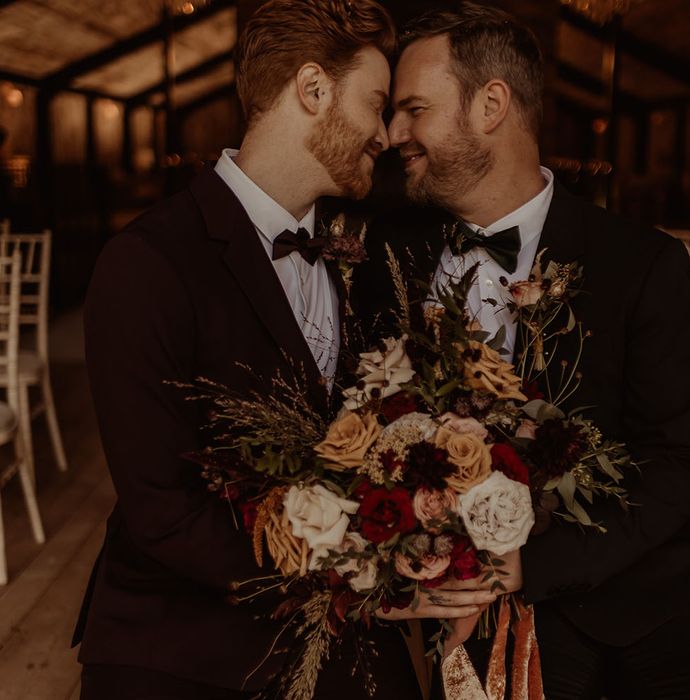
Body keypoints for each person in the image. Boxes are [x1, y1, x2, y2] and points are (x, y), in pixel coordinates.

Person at [356, 3, 690, 698]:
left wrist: (535, 563)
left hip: (658, 587)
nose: (392, 132)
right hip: (480, 605)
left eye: (412, 109)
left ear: (492, 105)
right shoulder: (386, 255)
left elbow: (685, 456)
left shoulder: (641, 263)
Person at [72, 2, 443, 698]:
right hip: (184, 639)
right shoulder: (148, 261)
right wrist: (354, 572)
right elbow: (161, 511)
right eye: (377, 103)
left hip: (337, 626)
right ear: (312, 89)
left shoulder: (357, 256)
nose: (390, 135)